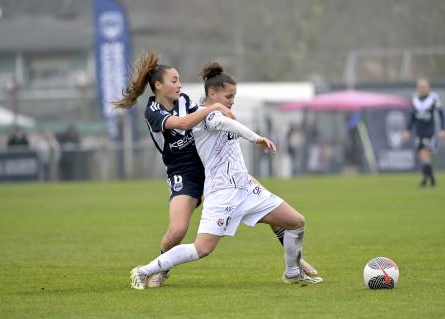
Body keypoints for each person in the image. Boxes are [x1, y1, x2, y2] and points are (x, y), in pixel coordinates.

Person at [129, 62, 323, 289]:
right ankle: (151, 270)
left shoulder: (189, 103)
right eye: (174, 80)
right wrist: (253, 136)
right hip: (191, 173)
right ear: (158, 85)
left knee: (295, 221)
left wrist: (218, 109)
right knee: (183, 235)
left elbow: (211, 117)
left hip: (236, 182)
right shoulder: (167, 112)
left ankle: (293, 270)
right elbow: (190, 122)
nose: (179, 84)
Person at [403, 78, 445, 187]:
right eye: (420, 87)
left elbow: (441, 114)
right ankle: (431, 180)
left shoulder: (433, 98)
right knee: (423, 157)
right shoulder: (415, 100)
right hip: (419, 132)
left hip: (430, 132)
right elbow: (412, 118)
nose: (422, 89)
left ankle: (424, 180)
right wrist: (408, 130)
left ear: (428, 87)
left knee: (425, 155)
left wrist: (442, 129)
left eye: (424, 87)